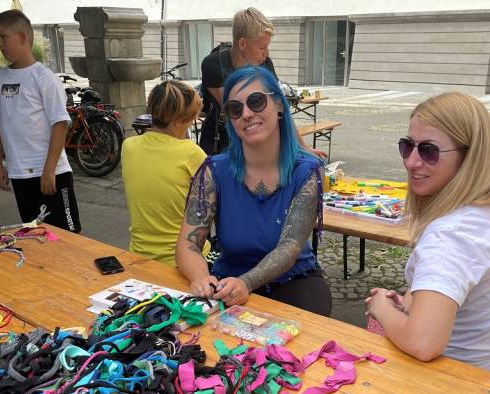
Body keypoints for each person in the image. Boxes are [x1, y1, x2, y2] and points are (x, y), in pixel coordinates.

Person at [366, 92, 490, 377]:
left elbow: (423, 343)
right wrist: (408, 305)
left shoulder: (452, 235)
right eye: (407, 146)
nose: (411, 162)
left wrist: (381, 308)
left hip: (465, 379)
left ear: (469, 156)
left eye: (428, 150)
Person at [176, 65, 332, 316]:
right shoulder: (214, 171)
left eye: (256, 101)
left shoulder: (308, 172)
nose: (246, 114)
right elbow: (188, 244)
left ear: (279, 105)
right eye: (235, 108)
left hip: (293, 281)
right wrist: (201, 278)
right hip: (226, 282)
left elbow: (289, 247)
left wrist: (246, 283)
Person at [0, 9, 81, 233]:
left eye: (3, 37)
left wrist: (49, 170)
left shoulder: (44, 78)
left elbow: (60, 124)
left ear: (22, 37)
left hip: (52, 174)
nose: (0, 43)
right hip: (19, 174)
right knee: (35, 235)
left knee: (67, 238)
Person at [199, 7, 326, 160]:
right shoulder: (213, 65)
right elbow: (237, 113)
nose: (267, 53)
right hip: (220, 144)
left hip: (255, 143)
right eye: (262, 47)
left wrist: (302, 147)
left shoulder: (264, 64)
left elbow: (280, 107)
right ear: (242, 43)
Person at [122, 81, 207, 265]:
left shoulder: (128, 146)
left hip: (138, 255)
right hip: (185, 261)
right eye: (191, 119)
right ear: (178, 122)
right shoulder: (192, 154)